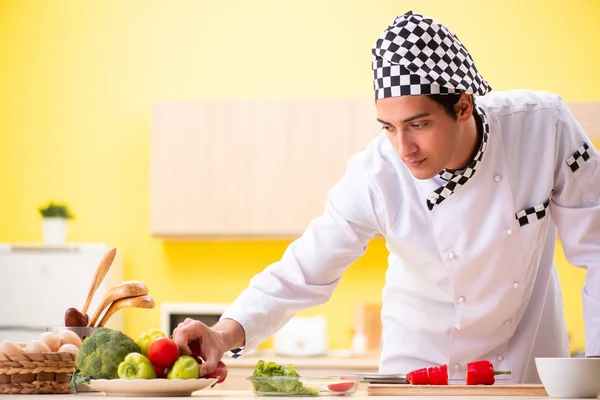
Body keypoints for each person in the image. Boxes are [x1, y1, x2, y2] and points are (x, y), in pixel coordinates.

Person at [172, 10, 600, 384]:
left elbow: (597, 248)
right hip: (416, 369)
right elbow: (303, 269)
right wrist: (225, 332)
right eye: (388, 127)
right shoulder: (376, 174)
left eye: (418, 124)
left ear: (464, 106)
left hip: (523, 363)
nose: (403, 148)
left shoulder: (545, 127)